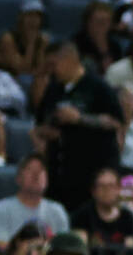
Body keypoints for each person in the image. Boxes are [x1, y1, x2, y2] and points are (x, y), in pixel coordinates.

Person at [34, 41, 124, 212]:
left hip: (91, 170)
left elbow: (115, 122)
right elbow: (40, 122)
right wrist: (46, 132)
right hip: (60, 171)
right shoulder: (53, 89)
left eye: (54, 64)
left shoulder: (98, 87)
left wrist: (80, 118)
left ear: (70, 60)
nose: (51, 70)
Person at [0, 154, 69, 250]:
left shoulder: (57, 211)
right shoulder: (2, 208)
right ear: (18, 178)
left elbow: (65, 248)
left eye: (41, 170)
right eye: (30, 169)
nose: (36, 174)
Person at [71, 166, 133, 250]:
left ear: (119, 189)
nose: (107, 190)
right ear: (93, 191)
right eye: (102, 186)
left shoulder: (127, 217)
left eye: (111, 186)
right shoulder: (82, 215)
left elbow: (130, 249)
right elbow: (80, 248)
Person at [0, 0, 51, 78]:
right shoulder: (8, 39)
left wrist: (41, 48)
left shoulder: (43, 40)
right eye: (30, 15)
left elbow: (41, 71)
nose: (33, 20)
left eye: (37, 16)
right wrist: (31, 44)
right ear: (20, 17)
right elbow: (22, 71)